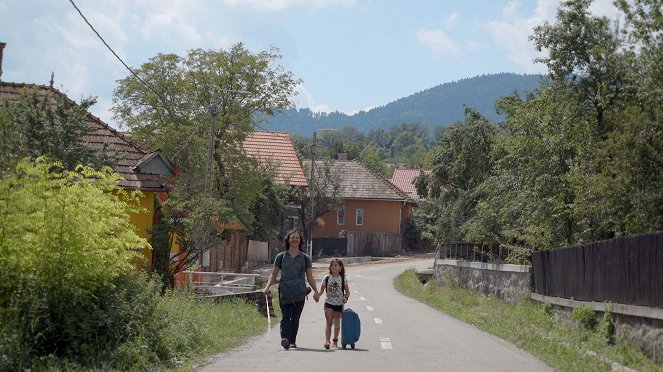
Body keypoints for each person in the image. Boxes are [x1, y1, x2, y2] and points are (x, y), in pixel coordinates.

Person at [262, 229, 319, 350]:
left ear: (300, 241)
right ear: (288, 240)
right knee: (286, 316)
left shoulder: (305, 258)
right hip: (285, 292)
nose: (295, 240)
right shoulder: (281, 256)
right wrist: (267, 287)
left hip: (299, 292)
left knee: (296, 317)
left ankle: (292, 340)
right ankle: (285, 338)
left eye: (297, 238)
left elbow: (309, 276)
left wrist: (316, 291)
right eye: (292, 238)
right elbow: (273, 274)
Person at [313, 258, 349, 349]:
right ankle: (327, 341)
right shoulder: (326, 278)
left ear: (340, 268)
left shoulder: (343, 279)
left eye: (336, 265)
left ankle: (335, 340)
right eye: (332, 265)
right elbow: (321, 290)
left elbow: (347, 292)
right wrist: (317, 295)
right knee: (329, 322)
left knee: (336, 323)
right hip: (328, 303)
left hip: (339, 304)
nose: (333, 267)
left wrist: (346, 297)